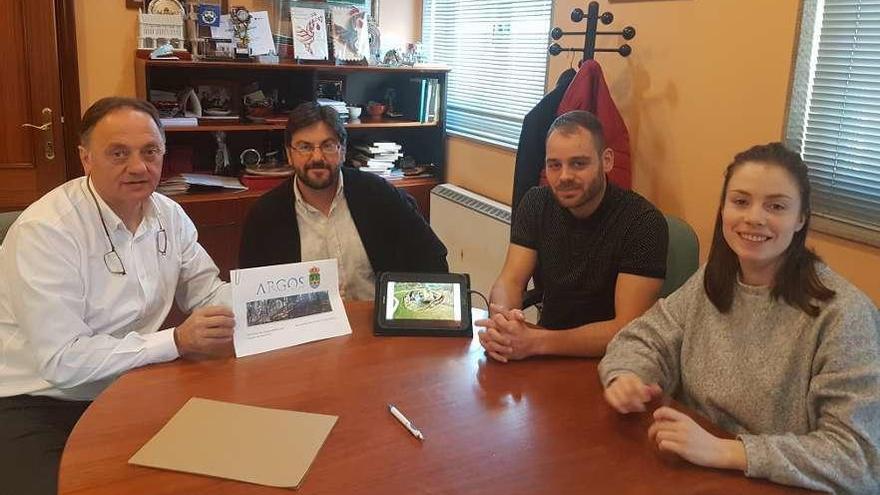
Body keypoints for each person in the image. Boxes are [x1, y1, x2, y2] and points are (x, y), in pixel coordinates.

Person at [599, 143, 880, 494]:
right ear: (723, 208)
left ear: (801, 219)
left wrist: (727, 451)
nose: (754, 217)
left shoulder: (844, 314)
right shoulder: (712, 280)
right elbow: (641, 338)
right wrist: (628, 376)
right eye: (741, 201)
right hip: (695, 471)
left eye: (776, 206)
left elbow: (859, 458)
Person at [0, 97, 236, 495]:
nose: (138, 167)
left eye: (150, 152)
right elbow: (63, 361)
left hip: (131, 386)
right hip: (37, 399)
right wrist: (176, 340)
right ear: (85, 158)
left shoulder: (169, 215)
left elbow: (208, 293)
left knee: (218, 470)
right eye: (118, 154)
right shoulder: (46, 231)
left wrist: (279, 297)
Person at [478, 110, 668, 362]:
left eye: (578, 163)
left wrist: (536, 342)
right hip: (546, 350)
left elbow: (626, 327)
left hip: (614, 363)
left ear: (607, 160)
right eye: (554, 165)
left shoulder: (642, 222)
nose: (564, 176)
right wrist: (503, 321)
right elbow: (510, 280)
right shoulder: (536, 203)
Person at [238, 101, 448, 299]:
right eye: (305, 147)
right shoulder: (265, 216)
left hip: (375, 325)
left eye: (328, 146)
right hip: (307, 332)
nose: (317, 157)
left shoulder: (380, 195)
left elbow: (432, 259)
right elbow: (253, 296)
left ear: (343, 150)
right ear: (289, 154)